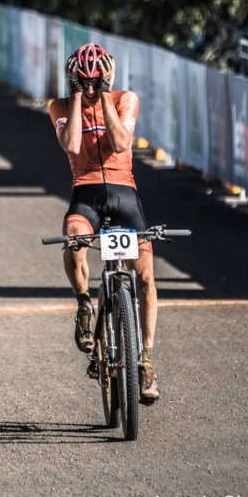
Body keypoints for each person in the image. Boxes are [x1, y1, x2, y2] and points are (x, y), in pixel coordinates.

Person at [49, 43, 160, 401]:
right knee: (73, 241)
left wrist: (106, 98)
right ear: (73, 81)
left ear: (108, 79)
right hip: (87, 193)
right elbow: (72, 147)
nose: (91, 88)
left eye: (96, 82)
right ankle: (84, 303)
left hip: (124, 192)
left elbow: (122, 140)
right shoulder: (61, 107)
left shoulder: (125, 99)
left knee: (144, 275)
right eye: (83, 82)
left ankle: (144, 362)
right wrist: (79, 98)